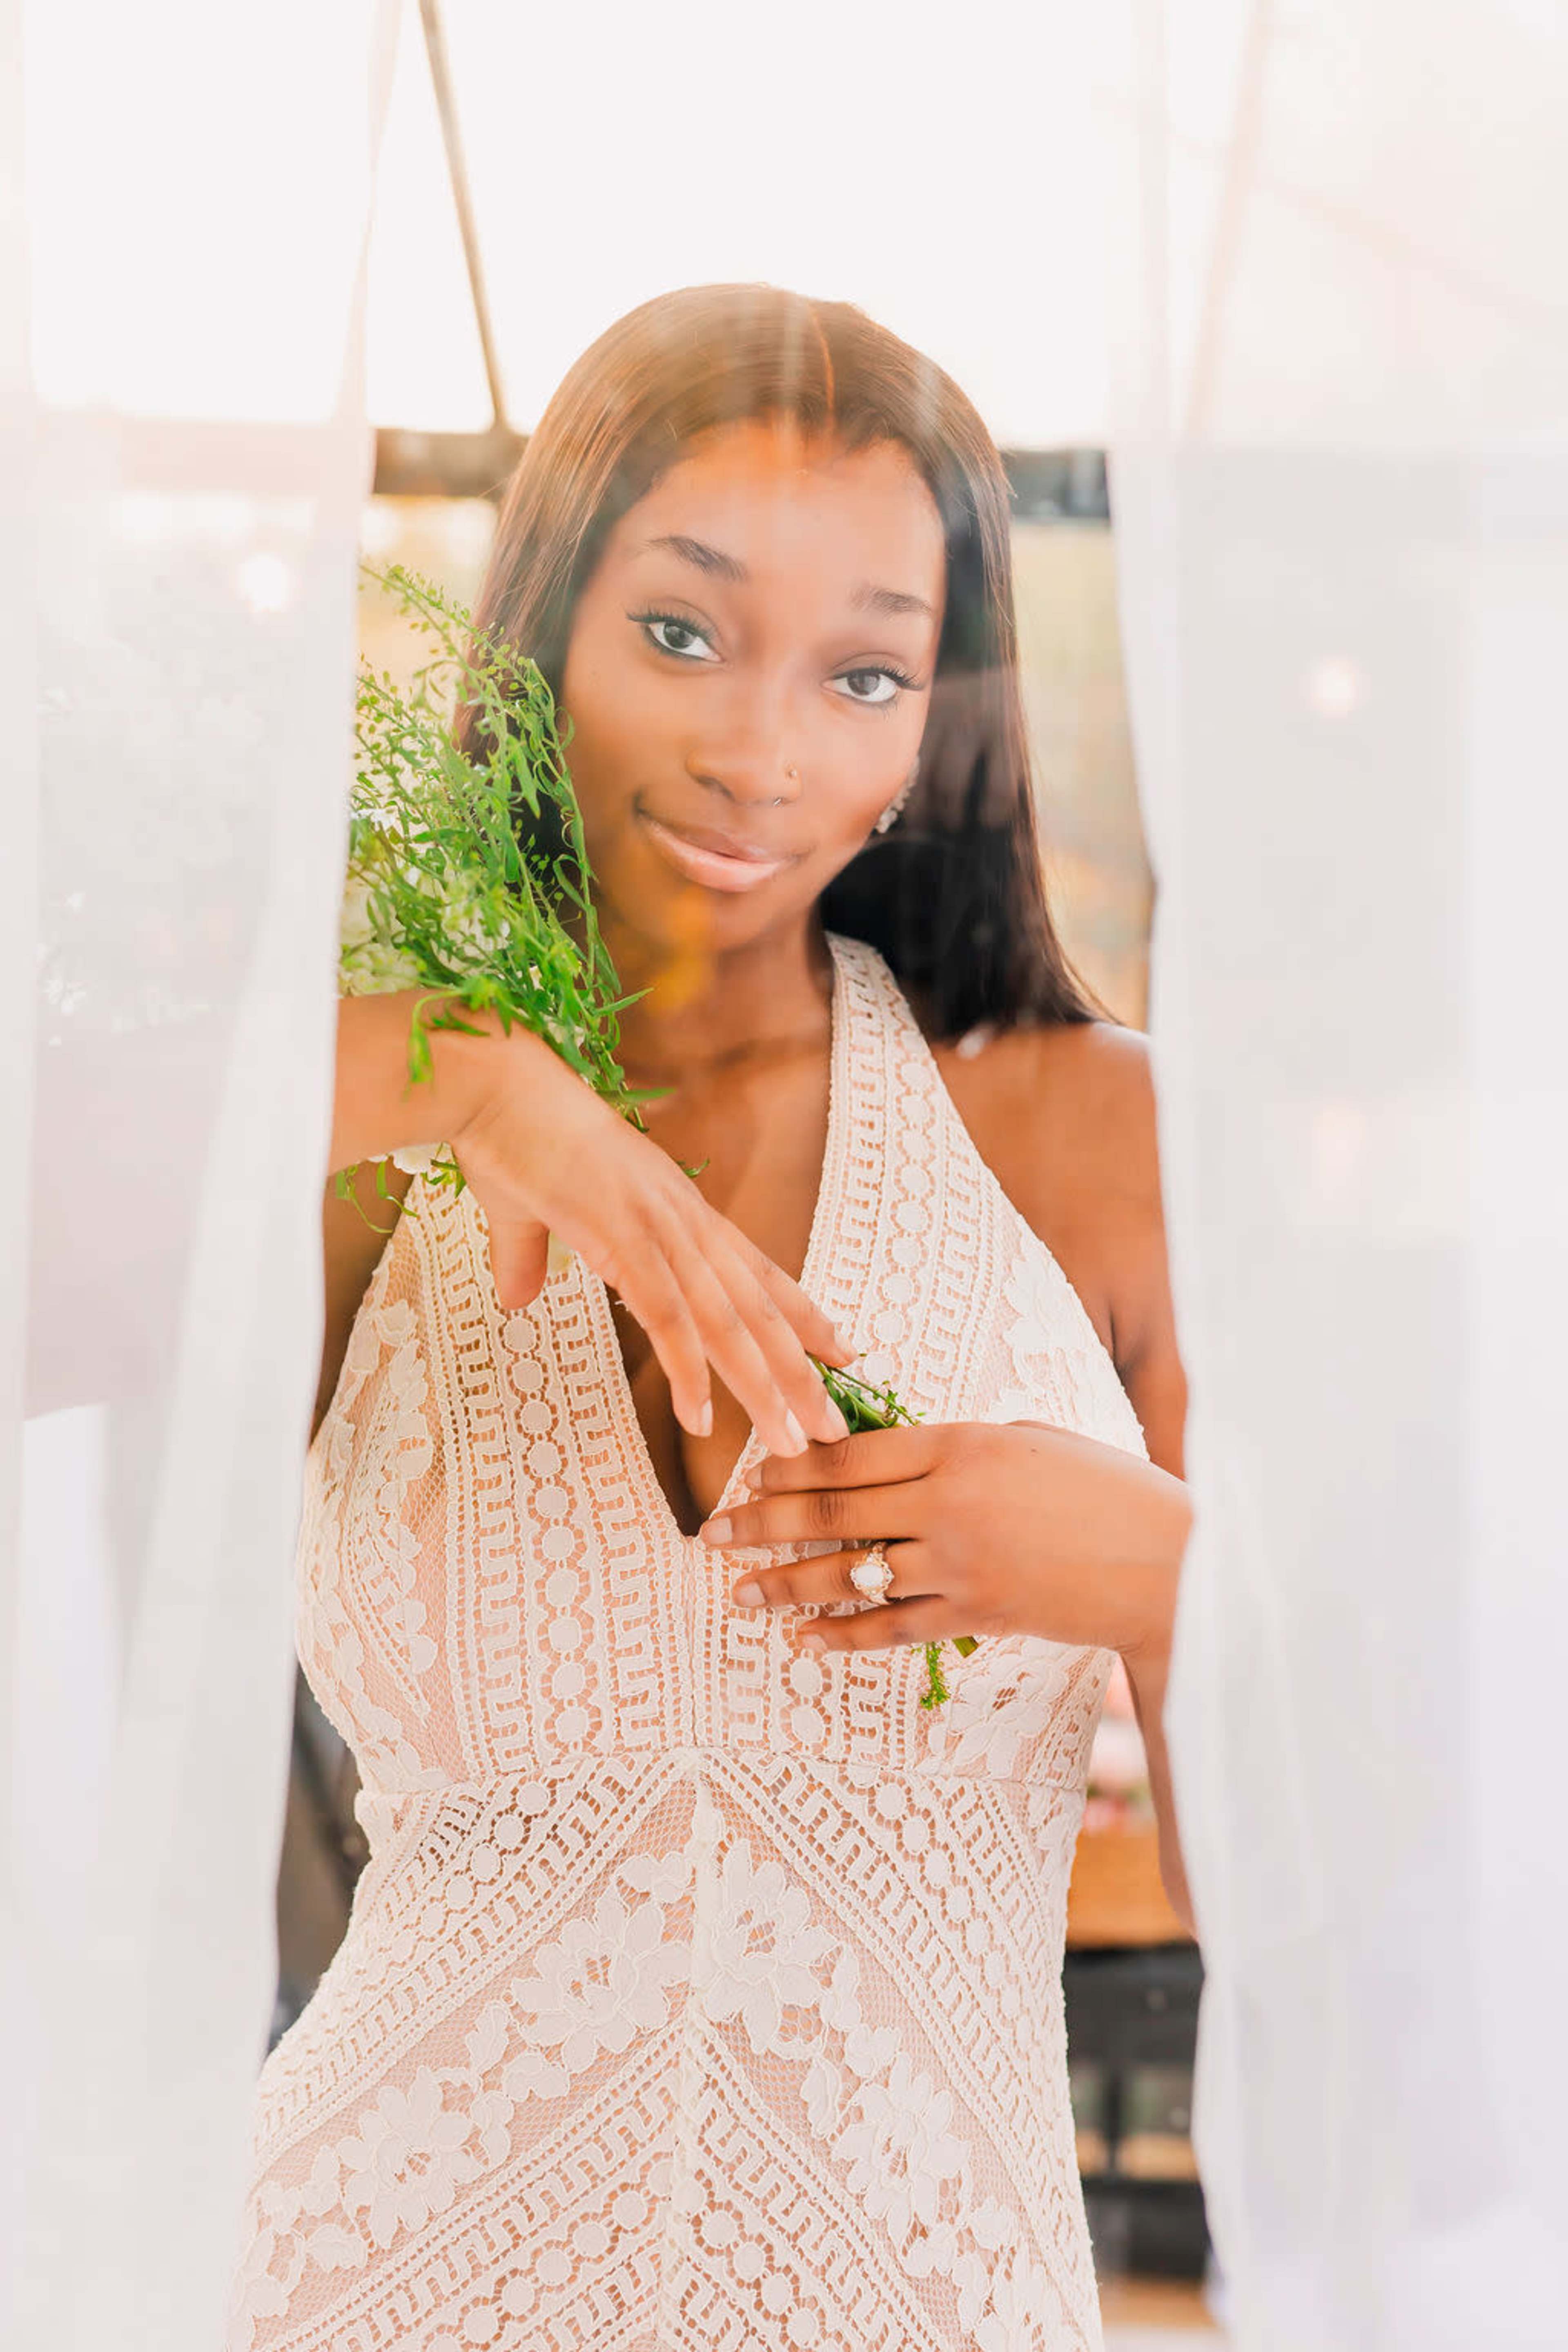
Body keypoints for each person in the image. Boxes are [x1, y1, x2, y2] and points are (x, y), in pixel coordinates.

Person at [227, 284, 1192, 2352]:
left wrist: (1143, 1557)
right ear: (551, 621)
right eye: (682, 630)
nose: (761, 749)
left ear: (941, 725)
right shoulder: (361, 1127)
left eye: (864, 674)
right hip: (364, 2285)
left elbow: (1358, 1860)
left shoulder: (1092, 1134)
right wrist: (475, 1081)